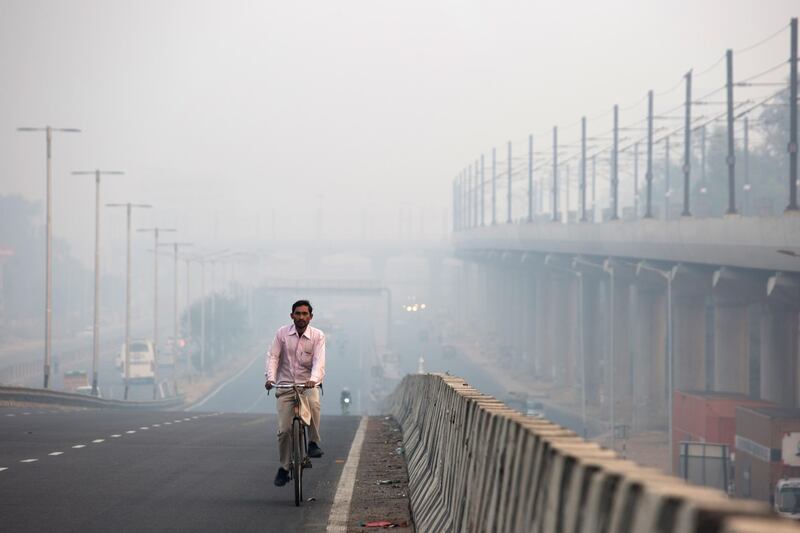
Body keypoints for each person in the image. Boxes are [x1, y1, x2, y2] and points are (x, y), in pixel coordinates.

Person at [265, 299, 326, 487]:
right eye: (297, 314)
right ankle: (284, 468)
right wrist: (270, 378)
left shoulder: (317, 336)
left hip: (308, 385)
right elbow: (273, 357)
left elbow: (319, 362)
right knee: (284, 431)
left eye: (305, 314)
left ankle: (313, 442)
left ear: (311, 317)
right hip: (284, 386)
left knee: (314, 404)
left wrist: (313, 380)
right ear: (292, 316)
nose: (301, 317)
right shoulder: (282, 334)